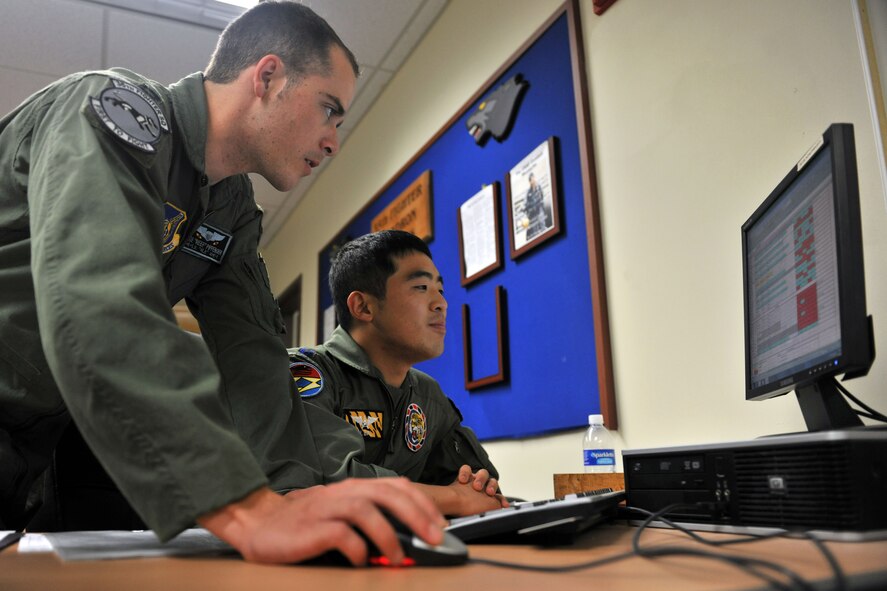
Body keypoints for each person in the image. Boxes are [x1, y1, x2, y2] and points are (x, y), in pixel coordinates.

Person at [0, 1, 445, 566]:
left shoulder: (229, 209)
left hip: (26, 453)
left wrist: (298, 491)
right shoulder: (114, 112)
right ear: (268, 77)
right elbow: (98, 304)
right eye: (329, 110)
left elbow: (255, 362)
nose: (334, 141)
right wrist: (240, 507)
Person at [288, 230, 508, 515]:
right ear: (363, 306)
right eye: (421, 287)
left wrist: (475, 488)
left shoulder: (427, 393)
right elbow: (323, 486)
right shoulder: (307, 373)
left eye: (440, 290)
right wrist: (454, 498)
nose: (441, 303)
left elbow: (481, 489)